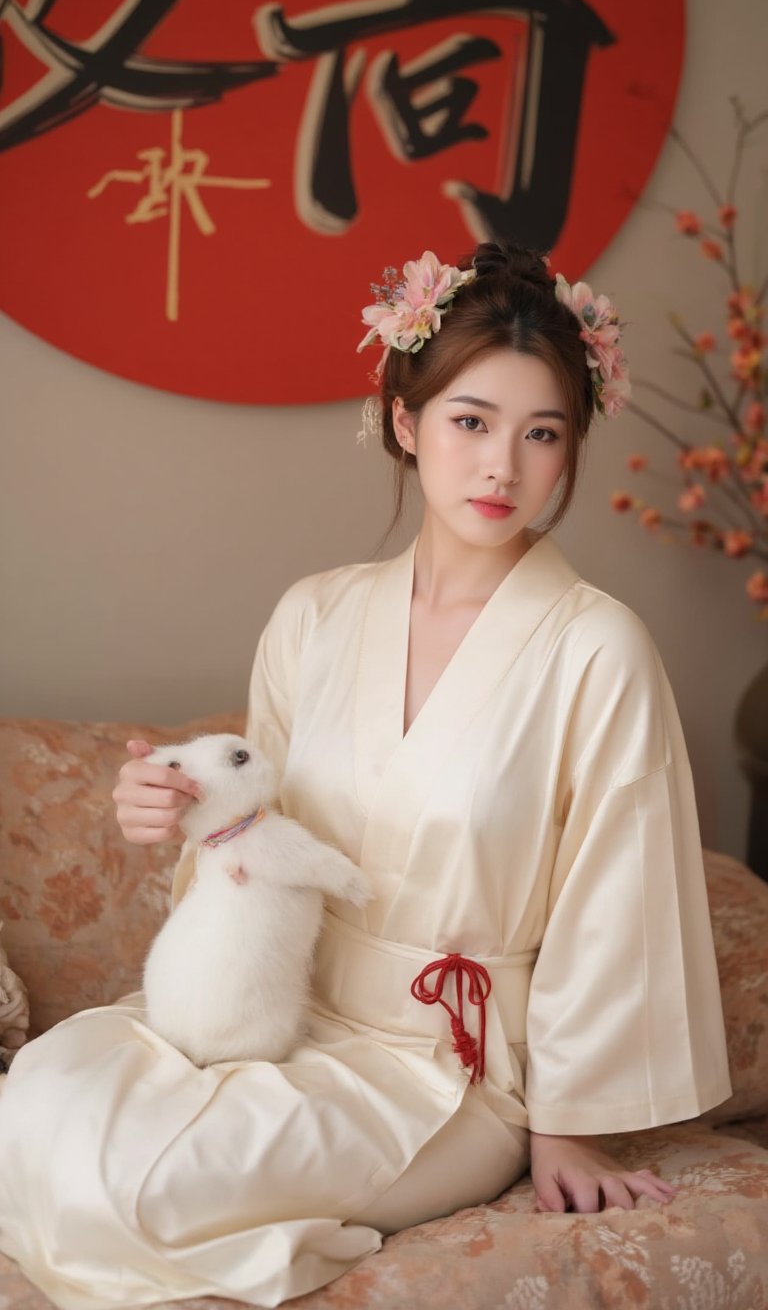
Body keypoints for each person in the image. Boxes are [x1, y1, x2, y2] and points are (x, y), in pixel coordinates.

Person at [0, 241, 731, 1309]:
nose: (502, 468)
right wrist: (183, 814)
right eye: (470, 422)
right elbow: (257, 834)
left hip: (444, 1068)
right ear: (406, 421)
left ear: (571, 450)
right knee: (36, 1102)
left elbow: (614, 899)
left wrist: (565, 1125)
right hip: (282, 1012)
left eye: (542, 435)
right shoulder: (316, 615)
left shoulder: (595, 649)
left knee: (151, 1180)